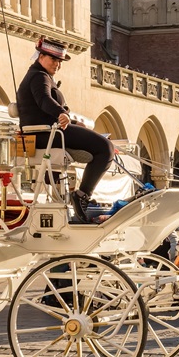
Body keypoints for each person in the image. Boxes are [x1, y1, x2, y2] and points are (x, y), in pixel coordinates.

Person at [15, 37, 113, 224]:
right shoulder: (38, 76)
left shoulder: (40, 76)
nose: (58, 65)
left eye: (60, 61)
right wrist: (62, 113)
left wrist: (74, 122)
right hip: (48, 135)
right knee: (105, 147)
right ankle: (82, 196)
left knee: (102, 144)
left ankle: (78, 196)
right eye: (54, 60)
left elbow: (45, 109)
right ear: (41, 56)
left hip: (50, 132)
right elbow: (44, 100)